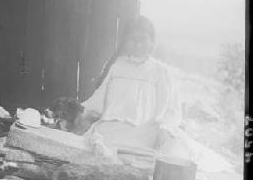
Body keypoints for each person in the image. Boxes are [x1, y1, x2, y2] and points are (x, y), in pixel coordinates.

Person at [75, 16, 190, 160]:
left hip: (145, 130)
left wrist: (165, 129)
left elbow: (171, 109)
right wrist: (85, 112)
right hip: (113, 128)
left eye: (142, 39)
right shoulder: (117, 66)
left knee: (156, 153)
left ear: (152, 42)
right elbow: (99, 99)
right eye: (132, 39)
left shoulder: (160, 71)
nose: (137, 44)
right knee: (98, 145)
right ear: (126, 41)